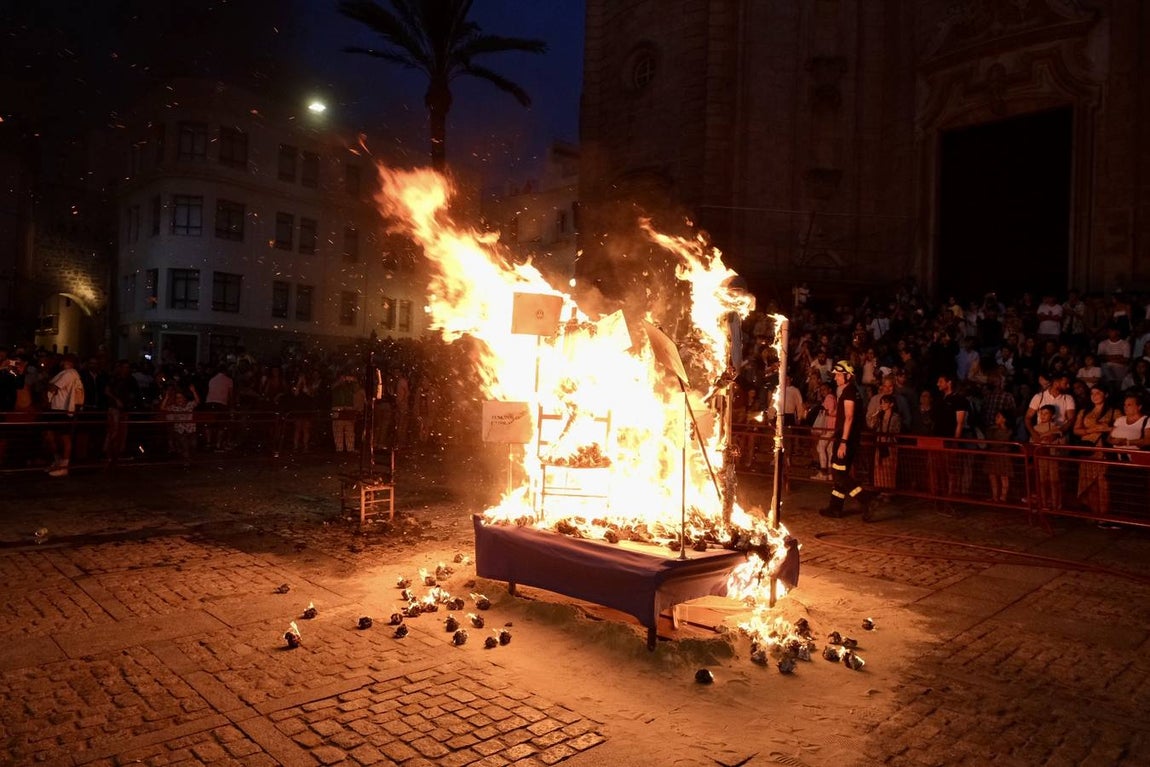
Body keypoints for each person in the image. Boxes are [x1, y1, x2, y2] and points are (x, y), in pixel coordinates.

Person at [819, 361, 873, 520]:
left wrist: (843, 442)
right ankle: (835, 508)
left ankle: (865, 498)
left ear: (848, 376)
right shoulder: (850, 391)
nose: (835, 377)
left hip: (846, 440)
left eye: (838, 375)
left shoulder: (850, 393)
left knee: (838, 475)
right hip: (847, 439)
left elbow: (849, 418)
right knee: (840, 474)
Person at [1073, 387, 1116, 518]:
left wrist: (1105, 428)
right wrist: (1091, 430)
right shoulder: (1084, 411)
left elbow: (1119, 426)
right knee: (1088, 482)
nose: (1095, 396)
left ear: (1106, 394)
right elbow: (1076, 430)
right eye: (1092, 393)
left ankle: (1104, 514)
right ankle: (1093, 513)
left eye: (1098, 393)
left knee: (1102, 482)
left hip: (1102, 449)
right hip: (1087, 449)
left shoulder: (1114, 411)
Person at [44, 353, 83, 477]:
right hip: (56, 408)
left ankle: (64, 465)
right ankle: (57, 461)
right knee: (50, 435)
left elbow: (53, 388)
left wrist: (46, 382)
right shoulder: (64, 373)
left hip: (63, 408)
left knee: (64, 437)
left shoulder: (70, 373)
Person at [867, 393, 901, 499]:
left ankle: (889, 491)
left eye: (885, 402)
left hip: (890, 444)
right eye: (881, 403)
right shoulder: (880, 416)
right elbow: (871, 425)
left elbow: (896, 430)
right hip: (880, 443)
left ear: (891, 404)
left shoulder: (896, 417)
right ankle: (881, 490)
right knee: (879, 467)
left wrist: (887, 436)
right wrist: (875, 415)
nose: (882, 405)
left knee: (889, 467)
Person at [1030, 404, 1064, 511]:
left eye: (1046, 413)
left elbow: (1062, 444)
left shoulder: (1056, 428)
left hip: (1053, 458)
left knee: (1054, 481)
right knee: (1041, 481)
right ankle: (1043, 504)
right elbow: (1031, 442)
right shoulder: (1035, 428)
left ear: (1052, 415)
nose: (1043, 416)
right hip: (1040, 458)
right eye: (1041, 413)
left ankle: (1056, 505)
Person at [160, 385, 200, 466]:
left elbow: (197, 401)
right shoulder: (174, 407)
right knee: (185, 445)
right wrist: (167, 397)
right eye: (177, 398)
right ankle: (186, 461)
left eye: (181, 397)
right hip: (180, 430)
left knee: (193, 444)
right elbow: (162, 408)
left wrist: (194, 391)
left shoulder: (189, 405)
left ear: (184, 398)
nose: (179, 400)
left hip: (191, 429)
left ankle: (189, 458)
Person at [983, 409, 1015, 503]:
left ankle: (1003, 497)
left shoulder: (1008, 431)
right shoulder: (992, 429)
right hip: (993, 454)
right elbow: (988, 439)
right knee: (992, 476)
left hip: (1003, 455)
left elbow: (1000, 442)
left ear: (1004, 419)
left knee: (1004, 476)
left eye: (998, 416)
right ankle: (995, 496)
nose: (996, 418)